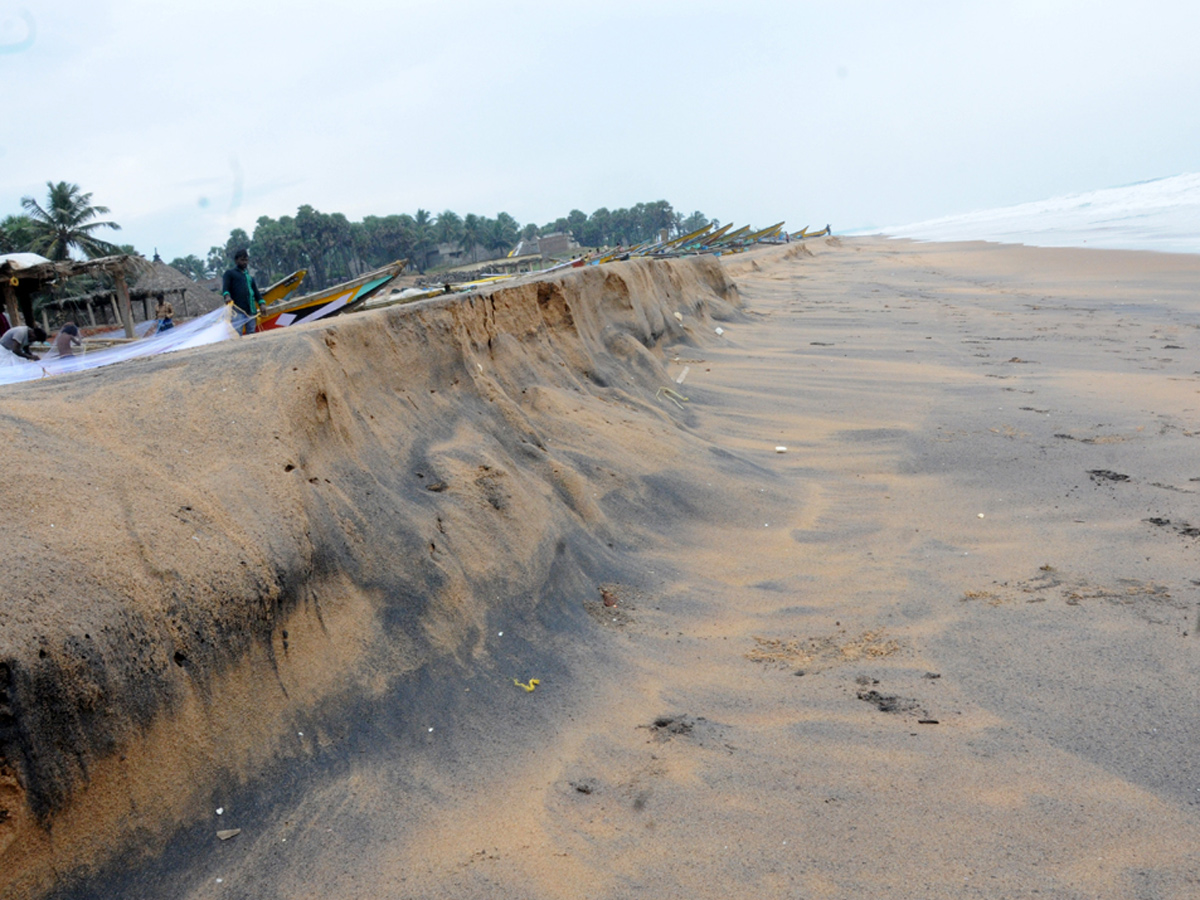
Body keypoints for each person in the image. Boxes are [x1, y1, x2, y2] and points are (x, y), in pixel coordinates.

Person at [222, 249, 263, 335]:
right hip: (238, 311)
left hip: (251, 310)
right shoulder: (230, 274)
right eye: (242, 260)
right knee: (237, 333)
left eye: (246, 260)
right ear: (236, 261)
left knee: (251, 333)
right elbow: (225, 289)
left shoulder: (249, 278)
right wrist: (227, 296)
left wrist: (262, 304)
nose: (244, 262)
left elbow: (256, 293)